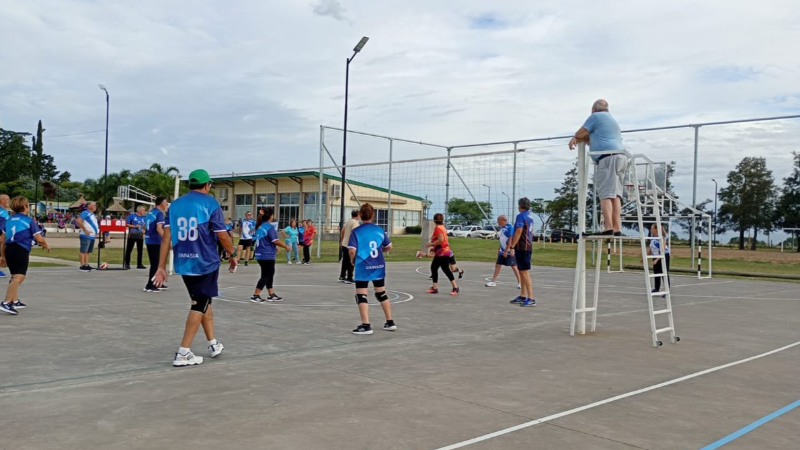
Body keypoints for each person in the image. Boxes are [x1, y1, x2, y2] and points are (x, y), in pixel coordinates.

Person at [152, 169, 237, 367]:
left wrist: (161, 266)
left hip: (184, 261)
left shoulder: (175, 206)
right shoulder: (210, 203)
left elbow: (166, 237)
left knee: (203, 301)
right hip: (205, 262)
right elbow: (223, 235)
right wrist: (233, 255)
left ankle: (213, 343)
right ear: (207, 185)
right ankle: (183, 352)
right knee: (199, 304)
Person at [568, 99, 626, 236]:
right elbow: (592, 137)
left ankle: (608, 227)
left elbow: (579, 133)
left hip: (607, 158)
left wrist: (576, 137)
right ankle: (617, 228)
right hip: (621, 157)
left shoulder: (595, 117)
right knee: (615, 195)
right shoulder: (611, 120)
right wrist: (589, 138)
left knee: (605, 194)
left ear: (593, 109)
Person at [347, 203, 396, 335]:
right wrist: (381, 250)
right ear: (373, 215)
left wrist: (352, 260)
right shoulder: (379, 230)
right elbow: (389, 246)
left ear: (360, 215)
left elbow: (352, 250)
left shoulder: (357, 232)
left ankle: (366, 325)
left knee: (361, 295)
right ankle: (390, 322)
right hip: (378, 265)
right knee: (381, 293)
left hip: (363, 265)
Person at [0, 197, 50, 315]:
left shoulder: (9, 220)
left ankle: (14, 300)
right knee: (19, 277)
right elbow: (39, 238)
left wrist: (2, 256)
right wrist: (46, 245)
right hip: (20, 249)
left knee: (14, 276)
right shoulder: (28, 220)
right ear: (25, 207)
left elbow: (2, 241)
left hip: (9, 249)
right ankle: (6, 302)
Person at [250, 208, 291, 303]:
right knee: (266, 275)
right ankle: (255, 295)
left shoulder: (260, 226)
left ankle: (271, 294)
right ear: (270, 216)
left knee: (269, 274)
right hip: (266, 254)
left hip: (261, 253)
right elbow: (275, 240)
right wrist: (285, 246)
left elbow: (264, 240)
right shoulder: (269, 227)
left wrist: (273, 246)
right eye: (272, 215)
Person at [507, 198, 536, 307]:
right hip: (527, 246)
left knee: (524, 272)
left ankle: (531, 298)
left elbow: (518, 232)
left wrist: (512, 246)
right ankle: (523, 295)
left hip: (522, 247)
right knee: (521, 271)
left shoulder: (521, 216)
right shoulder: (529, 216)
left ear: (520, 205)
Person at [422, 213, 459, 296]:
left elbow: (441, 239)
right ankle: (435, 288)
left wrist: (431, 244)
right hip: (442, 251)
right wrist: (434, 246)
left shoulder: (438, 228)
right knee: (434, 268)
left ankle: (455, 288)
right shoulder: (442, 227)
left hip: (442, 252)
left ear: (434, 220)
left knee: (445, 269)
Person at [485, 215, 521, 288]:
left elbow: (510, 238)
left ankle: (520, 282)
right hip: (502, 250)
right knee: (498, 265)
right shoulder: (502, 228)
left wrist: (507, 249)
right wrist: (499, 249)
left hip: (508, 250)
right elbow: (502, 240)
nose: (497, 222)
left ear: (503, 220)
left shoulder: (509, 227)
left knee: (514, 266)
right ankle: (493, 281)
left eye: (498, 220)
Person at [144, 197, 169, 293]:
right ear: (161, 203)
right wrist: (166, 239)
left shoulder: (150, 213)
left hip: (149, 240)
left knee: (156, 263)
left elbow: (144, 226)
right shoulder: (159, 214)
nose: (166, 204)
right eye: (165, 202)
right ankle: (150, 285)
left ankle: (158, 282)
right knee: (156, 264)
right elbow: (159, 228)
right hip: (155, 241)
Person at [647, 223, 671, 296]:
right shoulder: (652, 238)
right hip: (656, 256)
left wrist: (657, 260)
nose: (651, 230)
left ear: (656, 230)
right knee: (656, 273)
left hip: (664, 256)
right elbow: (651, 248)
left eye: (652, 228)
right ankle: (656, 289)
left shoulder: (662, 237)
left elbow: (663, 250)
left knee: (664, 273)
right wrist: (645, 257)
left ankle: (667, 291)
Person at [76, 201, 99, 272]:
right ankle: (82, 265)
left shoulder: (92, 214)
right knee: (83, 250)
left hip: (92, 235)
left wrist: (96, 231)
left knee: (88, 251)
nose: (95, 206)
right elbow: (79, 221)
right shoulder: (85, 213)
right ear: (89, 206)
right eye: (94, 205)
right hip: (85, 235)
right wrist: (85, 230)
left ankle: (86, 264)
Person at [339, 209, 359, 283]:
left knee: (345, 260)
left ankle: (342, 276)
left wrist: (342, 240)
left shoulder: (347, 221)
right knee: (352, 260)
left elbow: (342, 231)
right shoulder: (355, 223)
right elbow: (355, 233)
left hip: (344, 243)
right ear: (357, 215)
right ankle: (349, 277)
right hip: (351, 244)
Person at [0, 194, 9, 278]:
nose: (8, 201)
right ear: (2, 200)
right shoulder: (1, 212)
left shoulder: (4, 211)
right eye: (7, 199)